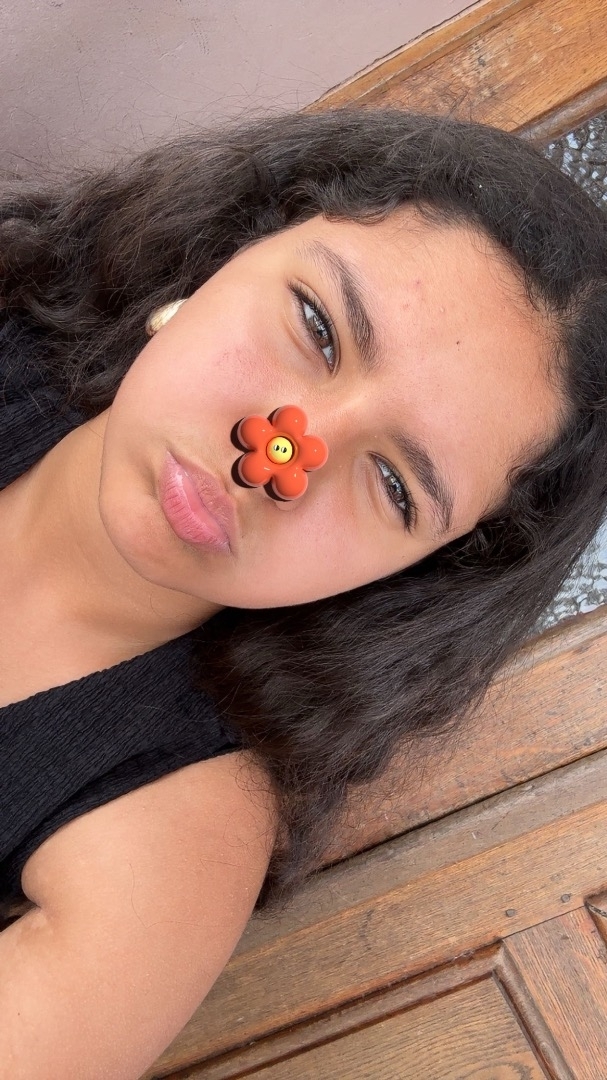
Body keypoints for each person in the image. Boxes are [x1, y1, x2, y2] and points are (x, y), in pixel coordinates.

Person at [0, 106, 606, 1078]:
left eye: (394, 485)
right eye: (317, 327)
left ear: (416, 574)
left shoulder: (170, 842)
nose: (279, 457)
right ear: (230, 248)